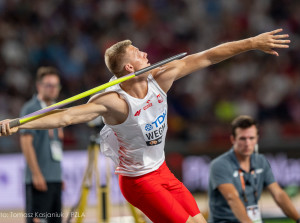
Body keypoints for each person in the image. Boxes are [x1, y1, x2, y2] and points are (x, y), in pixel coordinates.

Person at [0, 29, 290, 223]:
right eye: (139, 54)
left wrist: (252, 43)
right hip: (139, 182)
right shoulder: (114, 101)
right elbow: (67, 116)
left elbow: (210, 56)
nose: (146, 55)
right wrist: (22, 124)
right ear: (129, 68)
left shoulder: (161, 78)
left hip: (163, 171)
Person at [208, 115, 300, 223]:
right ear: (233, 139)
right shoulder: (220, 164)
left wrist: (298, 219)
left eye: (251, 138)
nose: (247, 143)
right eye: (242, 138)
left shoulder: (260, 161)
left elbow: (278, 194)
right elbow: (232, 198)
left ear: (257, 139)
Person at [20, 67, 64, 223]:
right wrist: (36, 174)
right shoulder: (31, 109)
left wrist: (59, 175)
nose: (53, 89)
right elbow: (26, 143)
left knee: (55, 219)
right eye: (49, 85)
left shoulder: (57, 108)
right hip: (39, 179)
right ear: (39, 86)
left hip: (54, 178)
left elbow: (56, 144)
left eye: (56, 85)